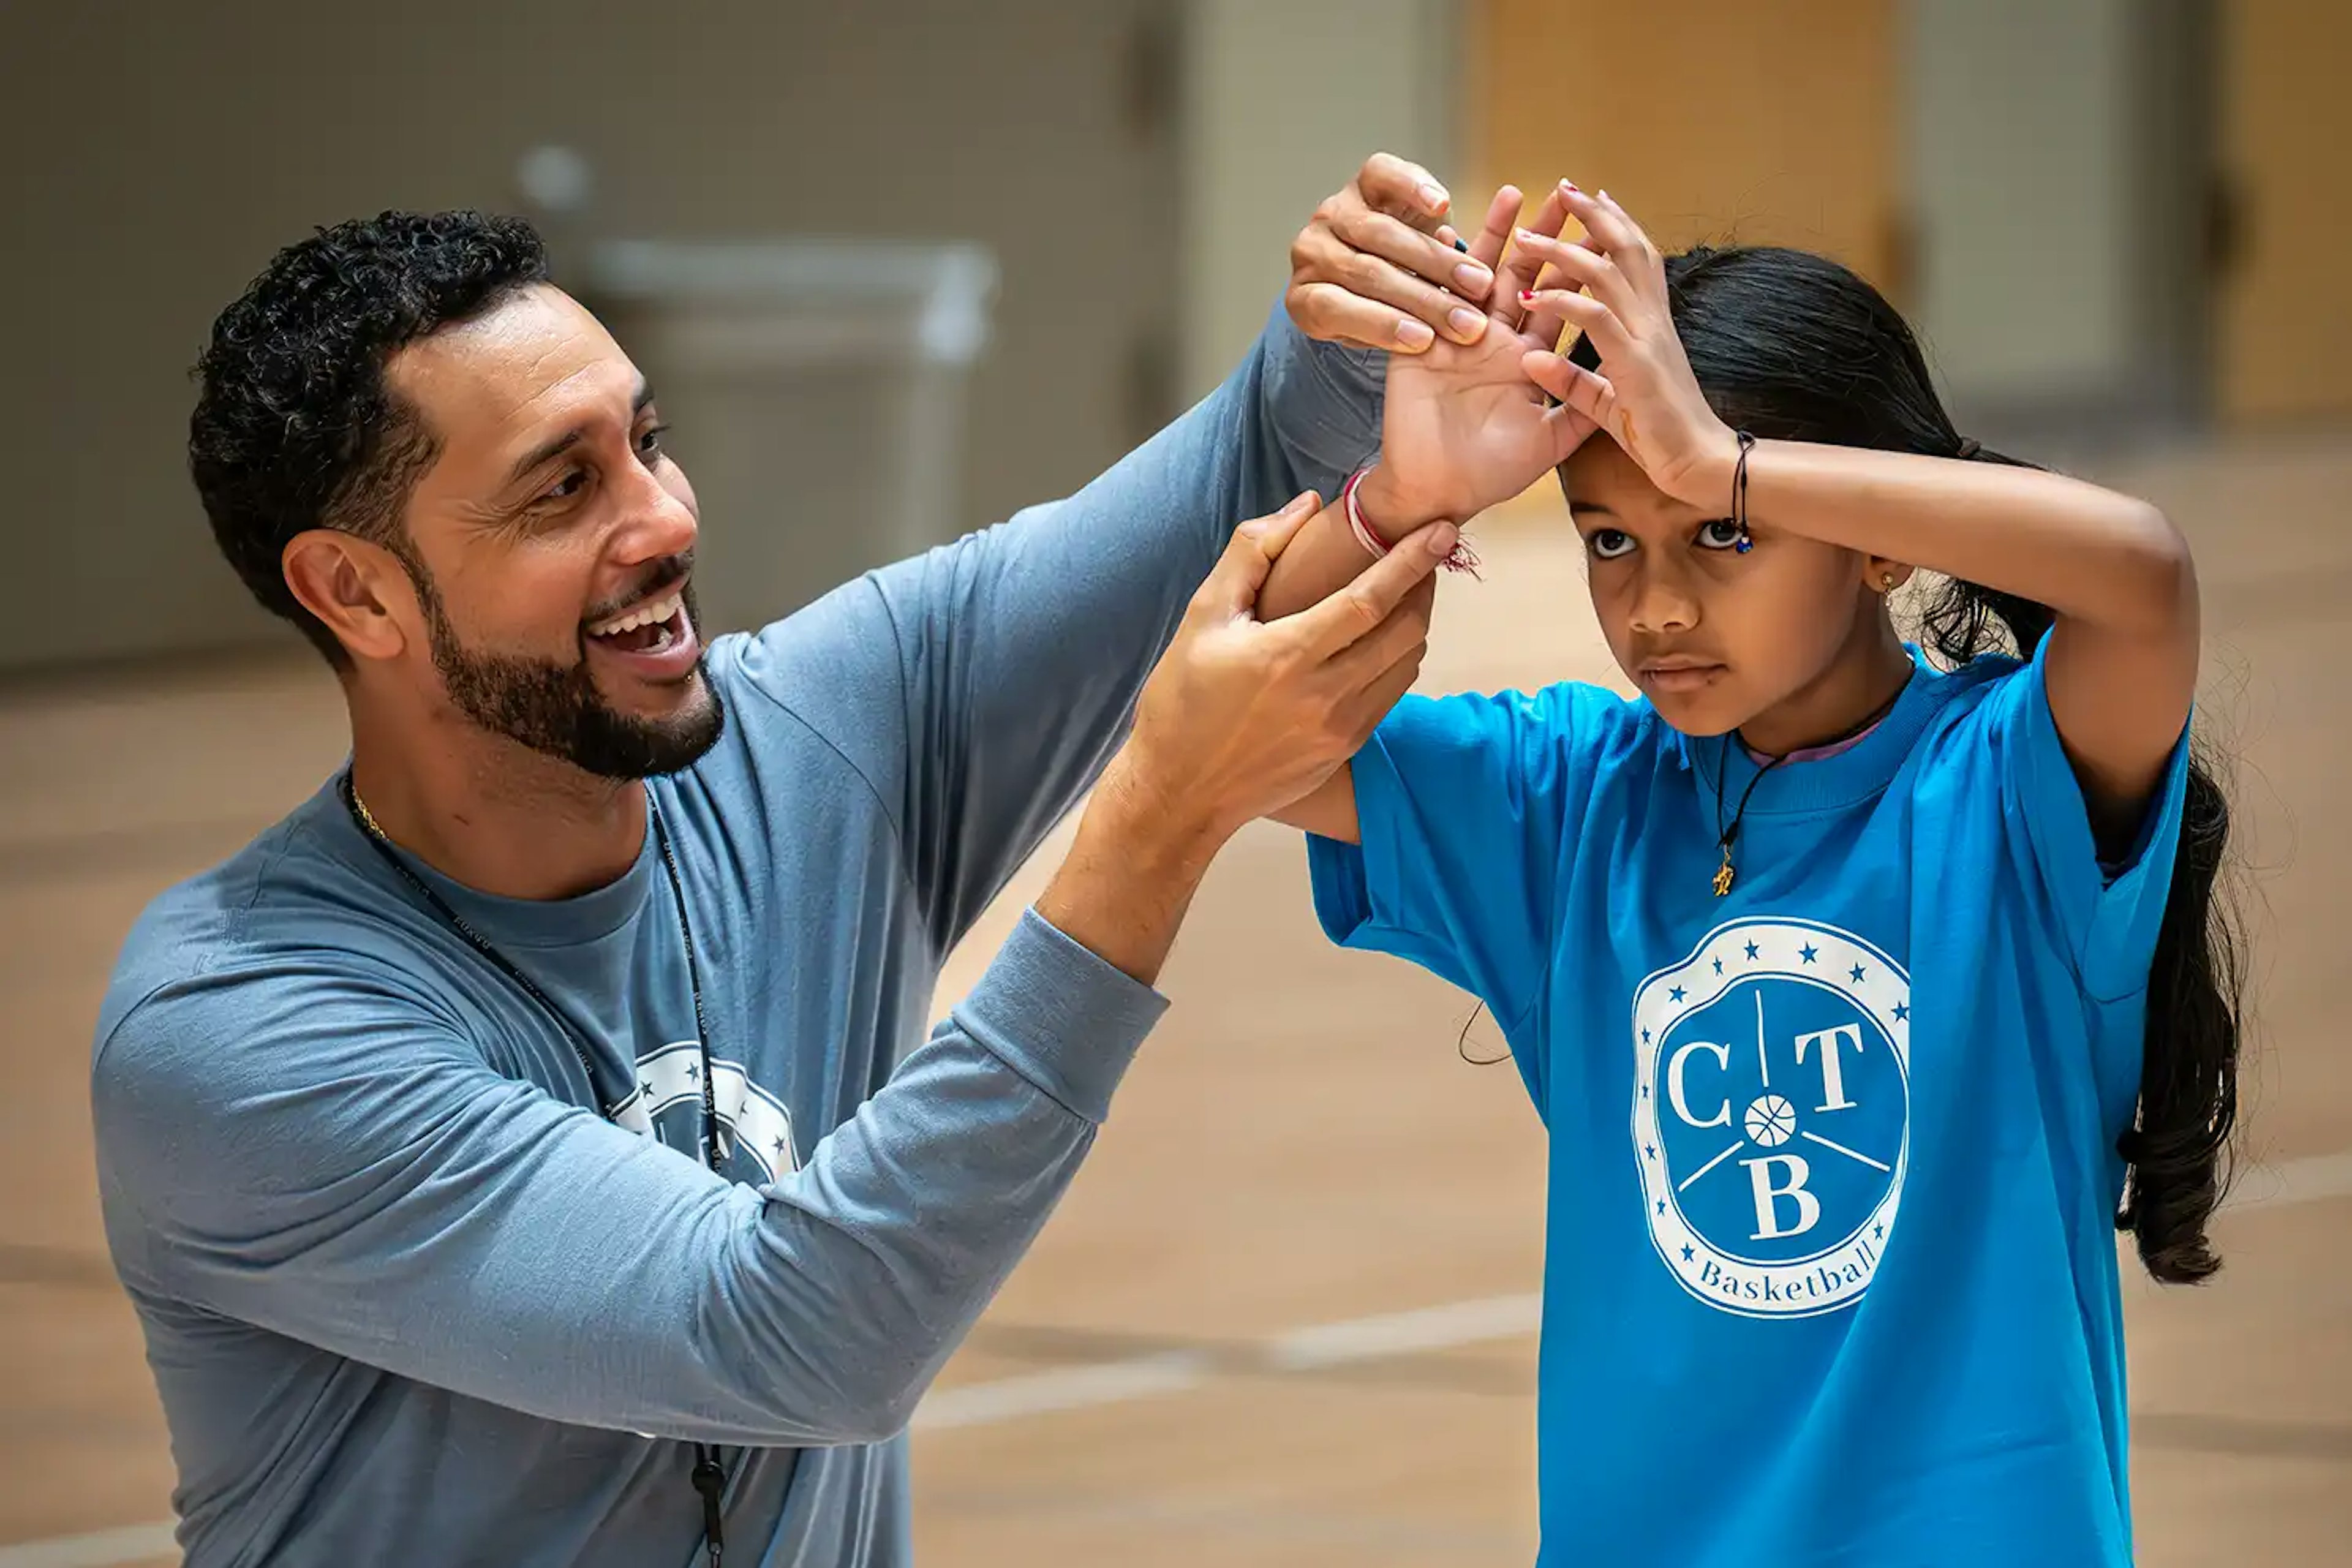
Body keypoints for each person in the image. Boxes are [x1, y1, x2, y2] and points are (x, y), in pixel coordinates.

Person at [88, 156, 1550, 1567]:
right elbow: (795, 1333)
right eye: (559, 491)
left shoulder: (818, 733)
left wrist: (1380, 325)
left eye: (645, 443)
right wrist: (1160, 818)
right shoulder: (237, 1031)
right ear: (355, 591)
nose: (663, 520)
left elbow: (1248, 462)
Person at [1259, 181, 2244, 1566]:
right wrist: (1404, 496)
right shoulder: (1573, 802)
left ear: (1878, 533)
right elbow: (1223, 725)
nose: (1656, 604)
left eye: (1721, 538)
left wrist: (1719, 458)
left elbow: (2144, 575)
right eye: (1612, 539)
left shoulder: (2011, 788)